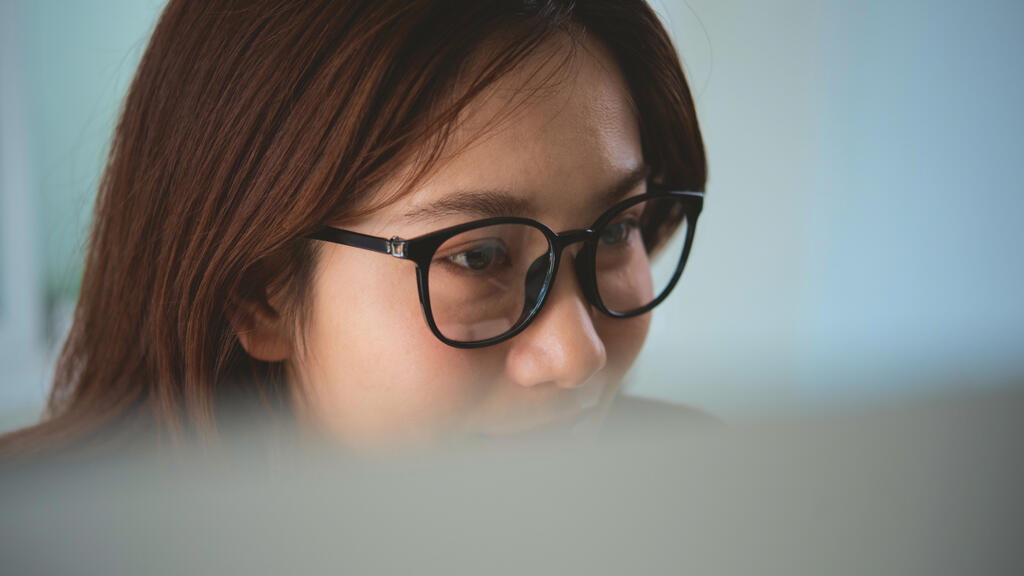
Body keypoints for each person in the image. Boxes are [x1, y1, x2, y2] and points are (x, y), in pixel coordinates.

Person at [0, 0, 706, 453]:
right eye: (480, 256)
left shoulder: (704, 494)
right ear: (261, 294)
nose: (578, 355)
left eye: (618, 230)